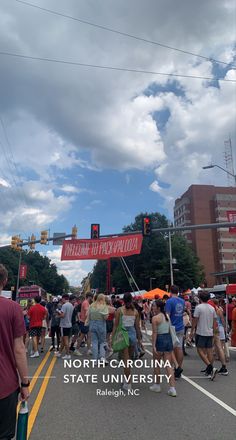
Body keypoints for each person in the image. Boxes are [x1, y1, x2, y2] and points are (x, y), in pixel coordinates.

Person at [0, 264, 30, 440]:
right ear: (4, 281)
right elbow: (19, 349)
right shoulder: (13, 308)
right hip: (5, 384)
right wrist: (24, 384)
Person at [112, 292, 141, 391]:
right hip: (133, 336)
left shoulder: (119, 311)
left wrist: (112, 337)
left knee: (126, 361)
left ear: (123, 300)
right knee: (129, 360)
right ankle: (126, 380)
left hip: (123, 336)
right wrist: (139, 340)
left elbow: (116, 325)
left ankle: (128, 383)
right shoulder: (136, 312)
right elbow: (137, 327)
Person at [150, 299, 177, 397]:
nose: (152, 307)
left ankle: (157, 385)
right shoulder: (167, 317)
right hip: (168, 339)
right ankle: (172, 388)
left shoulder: (155, 318)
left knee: (156, 364)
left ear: (158, 307)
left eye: (153, 306)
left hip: (160, 339)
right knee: (168, 365)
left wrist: (153, 345)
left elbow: (154, 333)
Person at [190, 291, 218, 380]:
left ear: (200, 298)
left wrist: (192, 331)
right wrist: (214, 332)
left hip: (201, 331)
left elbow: (195, 320)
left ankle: (210, 367)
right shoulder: (212, 308)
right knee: (209, 350)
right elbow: (214, 321)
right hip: (210, 331)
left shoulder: (199, 308)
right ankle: (210, 368)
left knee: (199, 350)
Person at [165, 285, 185, 378]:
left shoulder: (169, 301)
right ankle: (179, 368)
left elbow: (167, 315)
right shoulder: (182, 301)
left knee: (170, 349)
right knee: (179, 347)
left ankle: (175, 367)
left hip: (172, 327)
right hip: (180, 326)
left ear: (170, 291)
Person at [87, 294, 108, 362]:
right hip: (101, 324)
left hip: (92, 324)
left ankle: (95, 360)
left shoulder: (91, 305)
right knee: (102, 342)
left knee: (94, 342)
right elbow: (105, 317)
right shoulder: (103, 306)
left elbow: (88, 316)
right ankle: (102, 357)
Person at [55, 294, 73, 360]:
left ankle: (67, 354)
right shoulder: (71, 305)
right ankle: (59, 353)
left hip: (64, 324)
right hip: (69, 324)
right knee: (63, 339)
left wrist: (58, 315)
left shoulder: (64, 305)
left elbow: (63, 315)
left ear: (63, 298)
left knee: (65, 340)